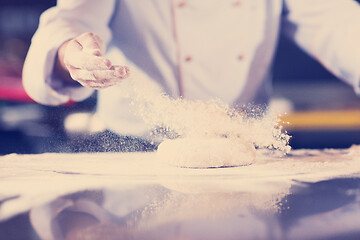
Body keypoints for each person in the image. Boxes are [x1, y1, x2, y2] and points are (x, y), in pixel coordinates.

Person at [23, 0, 360, 139]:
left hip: (243, 149)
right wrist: (71, 54)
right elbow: (71, 20)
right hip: (132, 152)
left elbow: (336, 23)